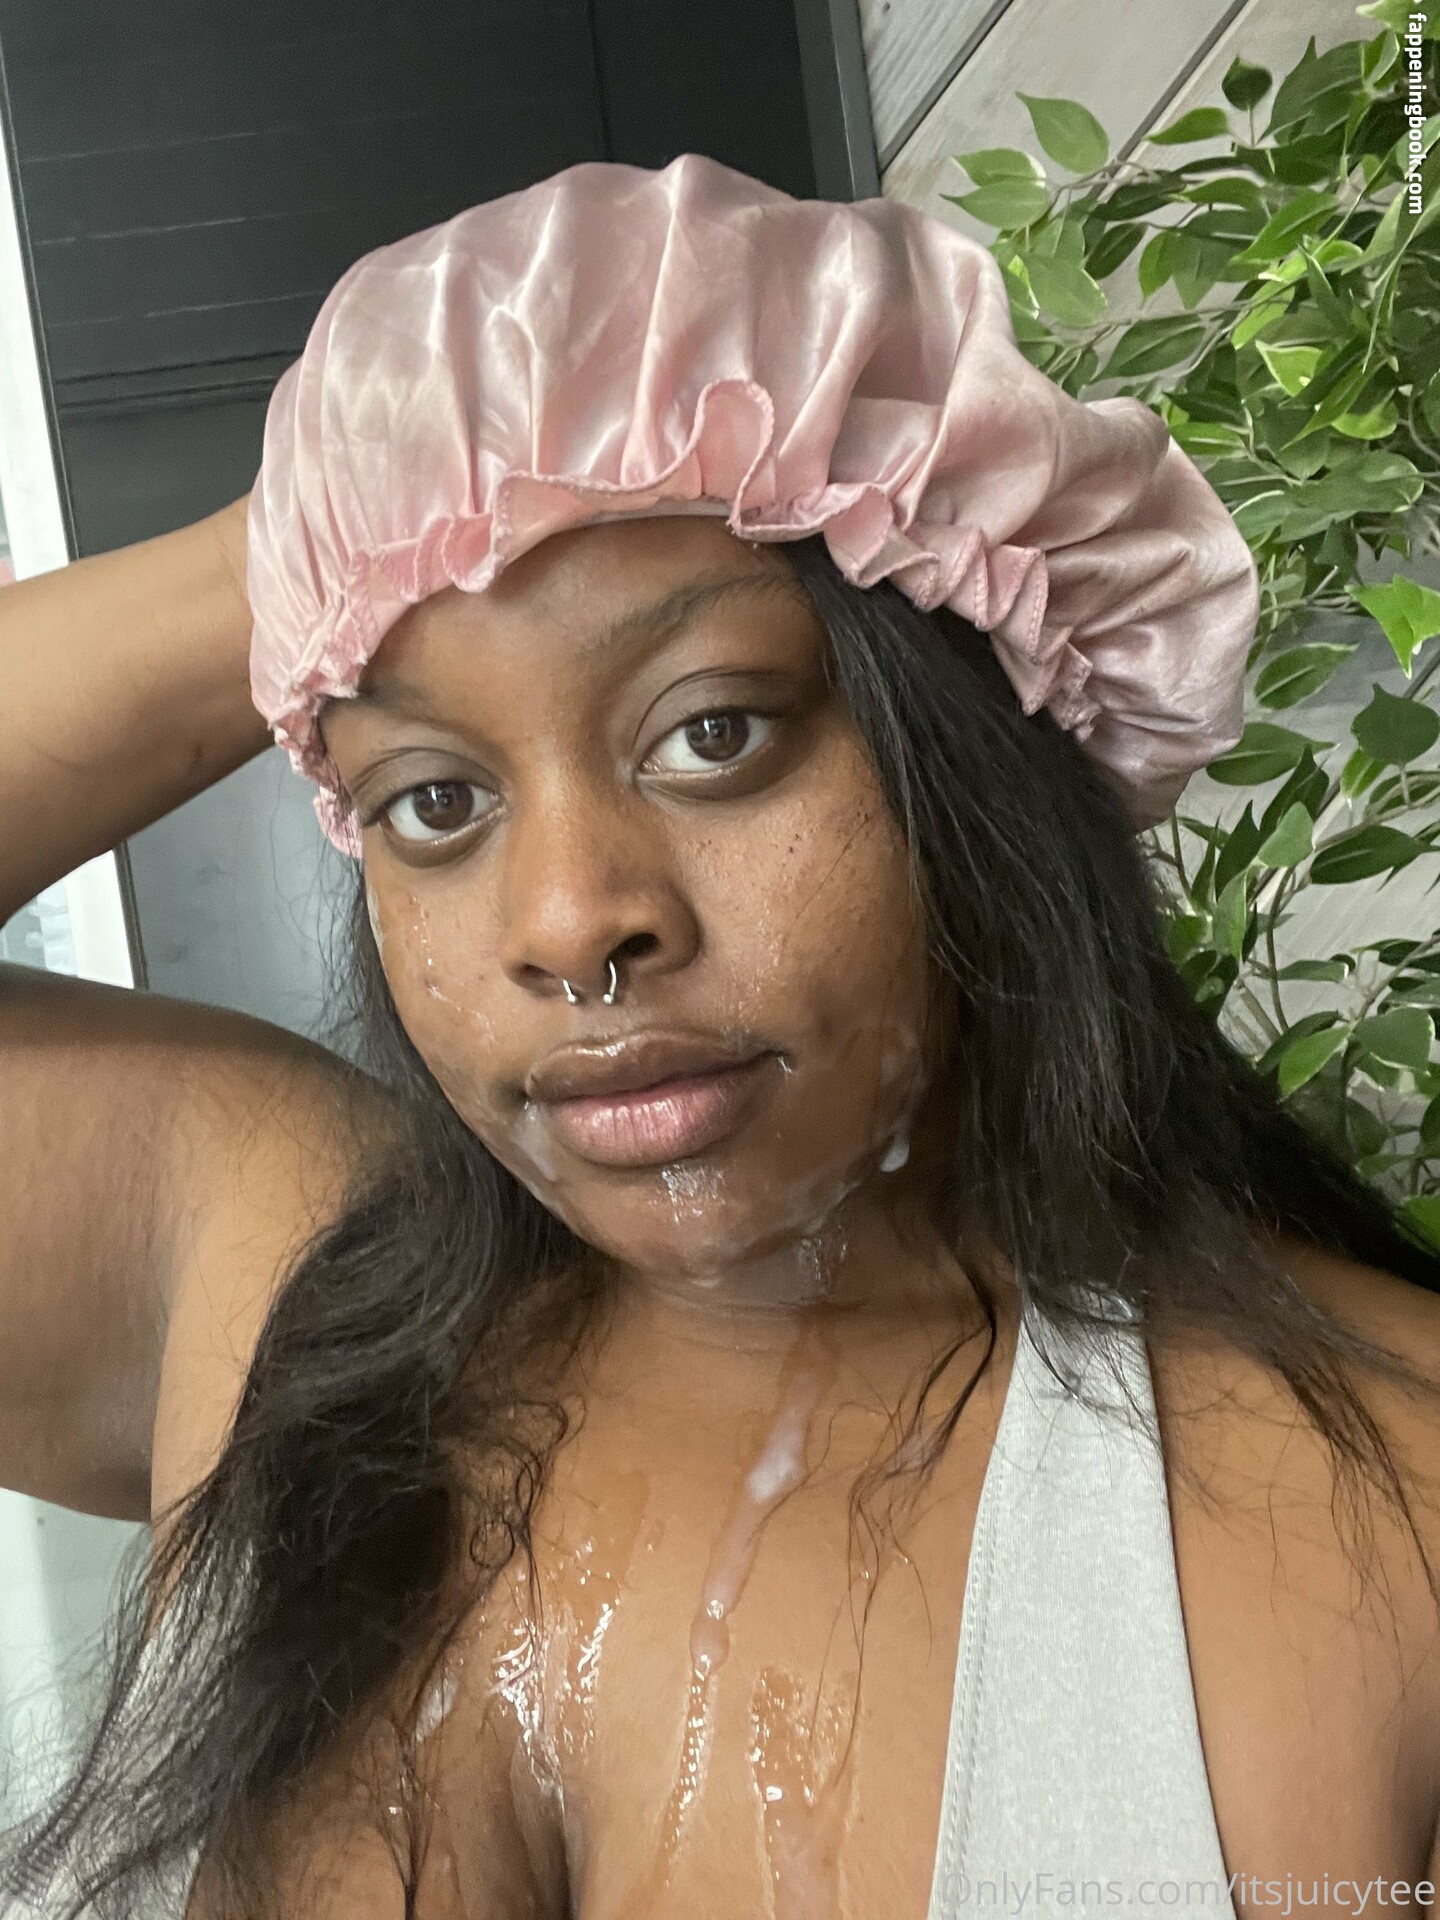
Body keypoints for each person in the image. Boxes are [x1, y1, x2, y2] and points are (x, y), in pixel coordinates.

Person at [1, 151, 1438, 1920]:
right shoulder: (274, 1295)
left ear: (980, 752)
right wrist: (367, 511)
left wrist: (606, 454)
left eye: (713, 734)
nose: (566, 920)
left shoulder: (1393, 1526)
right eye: (434, 799)